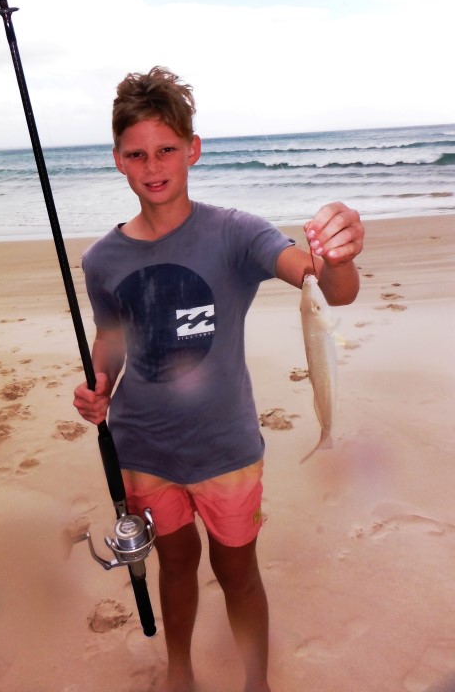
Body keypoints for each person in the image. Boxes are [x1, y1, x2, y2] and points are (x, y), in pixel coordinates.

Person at [73, 66, 364, 692]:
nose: (154, 166)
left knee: (239, 573)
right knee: (176, 566)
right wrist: (97, 384)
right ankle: (180, 670)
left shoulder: (236, 233)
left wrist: (338, 256)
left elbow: (322, 285)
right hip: (143, 450)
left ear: (193, 150)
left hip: (225, 451)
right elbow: (111, 339)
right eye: (137, 153)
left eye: (167, 149)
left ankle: (254, 680)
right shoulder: (103, 259)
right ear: (118, 160)